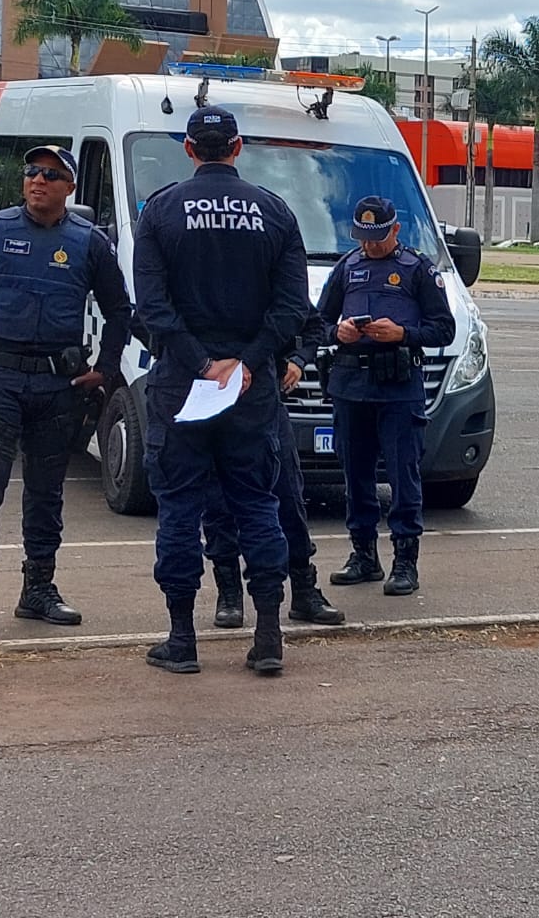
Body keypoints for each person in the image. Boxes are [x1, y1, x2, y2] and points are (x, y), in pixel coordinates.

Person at [132, 105, 309, 676]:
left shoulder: (160, 210)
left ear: (189, 148)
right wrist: (248, 361)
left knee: (180, 509)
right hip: (249, 386)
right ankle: (268, 633)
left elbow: (153, 310)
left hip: (183, 381)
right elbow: (292, 310)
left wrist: (203, 362)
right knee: (259, 504)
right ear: (238, 147)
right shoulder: (275, 213)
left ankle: (182, 637)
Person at [0, 145, 132, 639]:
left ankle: (38, 590)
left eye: (51, 174)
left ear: (70, 187)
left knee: (46, 493)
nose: (38, 181)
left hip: (56, 384)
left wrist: (104, 370)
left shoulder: (89, 244)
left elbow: (120, 310)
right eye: (32, 173)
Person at [317, 196, 456, 599]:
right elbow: (319, 321)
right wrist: (336, 333)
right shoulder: (347, 268)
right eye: (363, 238)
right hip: (349, 385)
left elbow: (442, 329)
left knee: (402, 475)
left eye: (377, 238)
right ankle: (363, 555)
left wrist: (403, 334)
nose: (370, 246)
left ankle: (405, 561)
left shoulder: (417, 271)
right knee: (355, 476)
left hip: (397, 386)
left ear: (395, 230)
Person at [202, 303, 343, 629]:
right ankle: (229, 593)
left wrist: (297, 359)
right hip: (214, 396)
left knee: (288, 495)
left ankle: (305, 590)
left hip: (265, 398)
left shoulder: (267, 271)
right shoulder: (201, 268)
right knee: (218, 500)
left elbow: (312, 324)